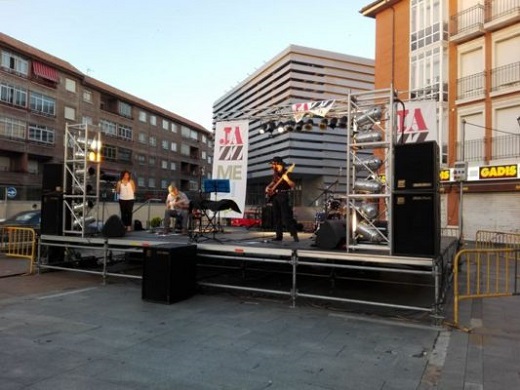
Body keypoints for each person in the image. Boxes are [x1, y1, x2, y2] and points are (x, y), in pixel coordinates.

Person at [265, 156, 299, 242]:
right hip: (275, 195)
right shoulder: (276, 173)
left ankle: (294, 234)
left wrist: (287, 179)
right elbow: (274, 181)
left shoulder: (287, 173)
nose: (272, 166)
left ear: (277, 164)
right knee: (276, 217)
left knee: (286, 217)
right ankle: (279, 236)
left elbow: (293, 185)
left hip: (283, 195)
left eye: (273, 164)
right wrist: (268, 187)